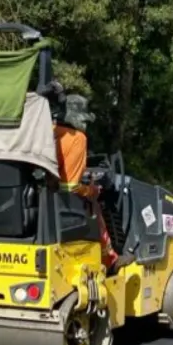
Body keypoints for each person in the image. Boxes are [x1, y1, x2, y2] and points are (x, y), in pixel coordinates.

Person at [51, 92, 129, 273]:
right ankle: (110, 259)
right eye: (84, 120)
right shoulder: (77, 138)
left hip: (46, 196)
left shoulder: (51, 132)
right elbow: (71, 186)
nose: (85, 125)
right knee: (95, 205)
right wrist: (91, 190)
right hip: (64, 204)